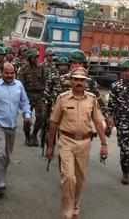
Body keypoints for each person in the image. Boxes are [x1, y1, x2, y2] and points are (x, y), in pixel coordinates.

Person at [46, 67, 108, 219]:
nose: (79, 82)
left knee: (79, 179)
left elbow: (98, 122)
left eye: (82, 80)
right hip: (66, 141)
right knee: (68, 177)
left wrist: (104, 144)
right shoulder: (62, 98)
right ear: (71, 81)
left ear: (86, 82)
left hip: (85, 143)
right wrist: (50, 146)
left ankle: (75, 206)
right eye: (76, 79)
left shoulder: (92, 99)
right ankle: (67, 211)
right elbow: (53, 123)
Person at [0, 63, 32, 197]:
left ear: (15, 73)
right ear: (1, 73)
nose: (9, 76)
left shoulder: (19, 85)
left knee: (7, 156)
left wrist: (27, 115)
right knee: (1, 154)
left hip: (12, 125)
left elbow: (25, 102)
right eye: (6, 73)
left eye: (11, 73)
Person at [19, 48, 46, 146]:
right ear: (29, 58)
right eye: (34, 57)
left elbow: (44, 81)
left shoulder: (41, 68)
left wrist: (43, 92)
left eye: (37, 57)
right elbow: (20, 84)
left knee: (41, 117)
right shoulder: (23, 69)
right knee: (27, 119)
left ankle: (34, 135)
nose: (36, 59)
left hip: (39, 95)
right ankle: (27, 137)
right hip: (27, 95)